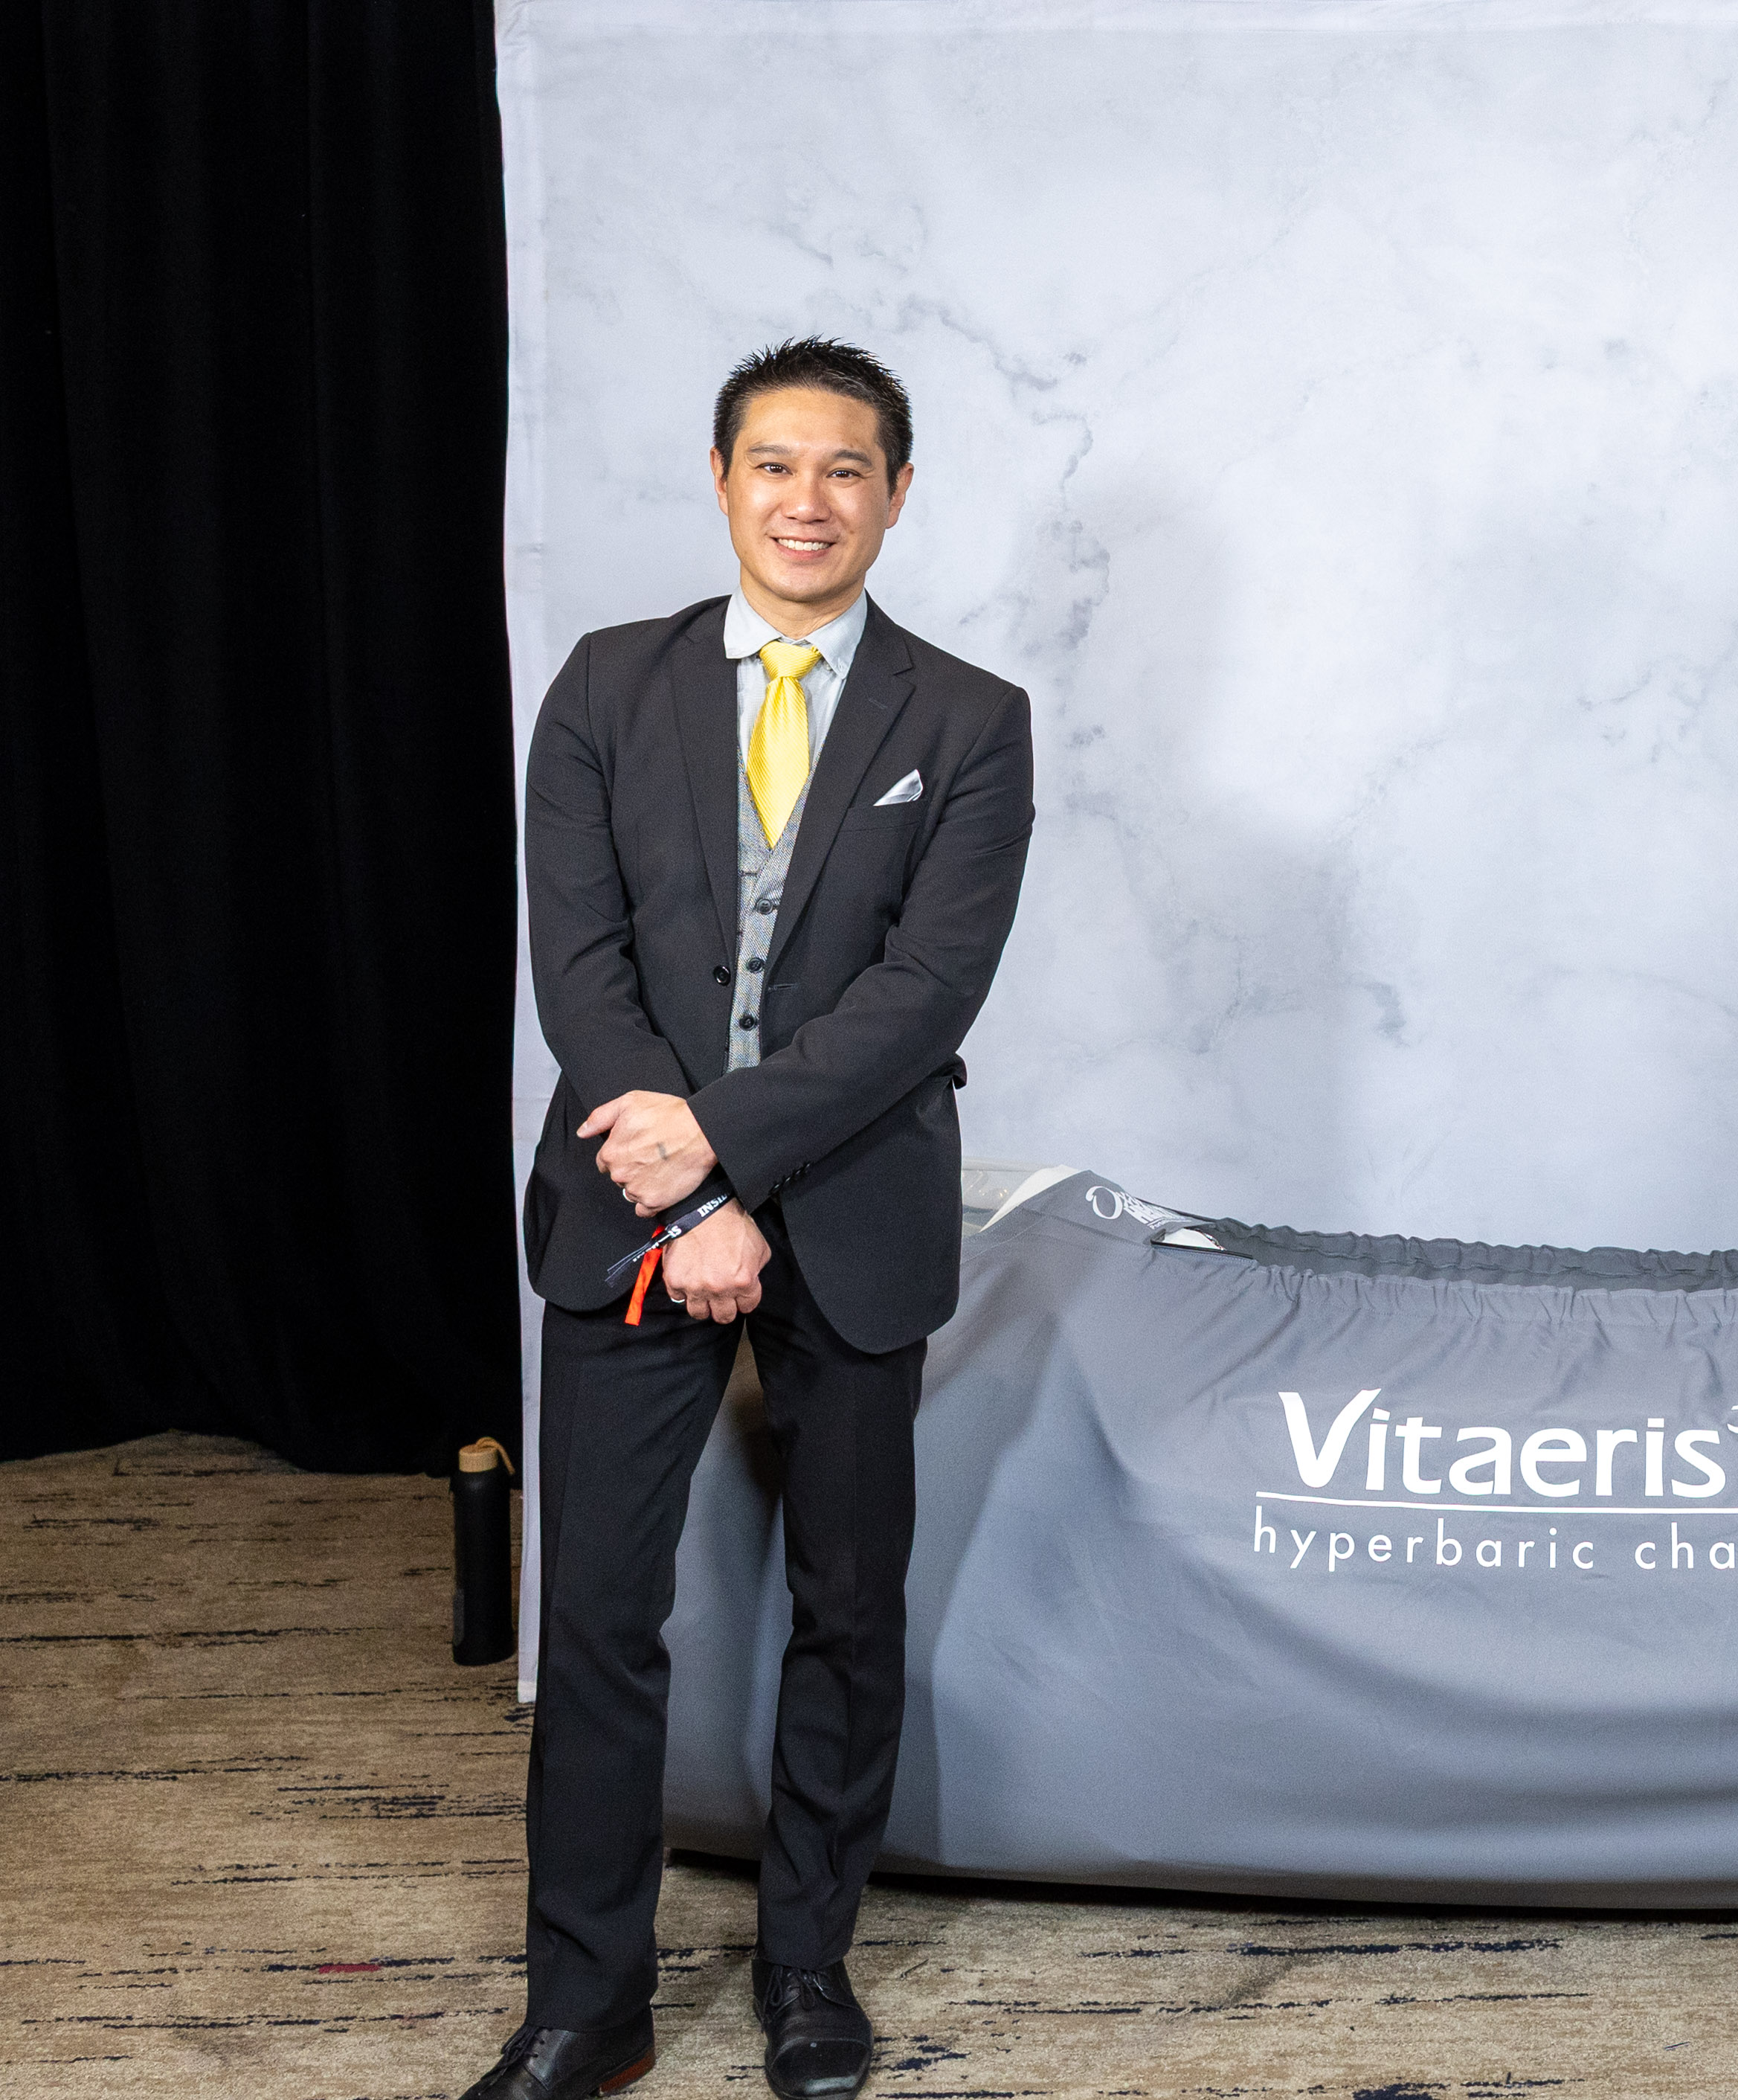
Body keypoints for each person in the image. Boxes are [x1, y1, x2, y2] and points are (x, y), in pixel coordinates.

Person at [477, 338, 1034, 2100]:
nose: (809, 500)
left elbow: (926, 991)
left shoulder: (969, 720)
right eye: (775, 464)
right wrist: (692, 1193)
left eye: (846, 468)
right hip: (632, 1210)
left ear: (896, 493)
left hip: (852, 1211)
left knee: (847, 1604)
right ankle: (588, 1999)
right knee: (596, 1614)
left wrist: (717, 1152)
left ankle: (807, 1963)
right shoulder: (604, 682)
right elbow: (579, 961)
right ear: (721, 480)